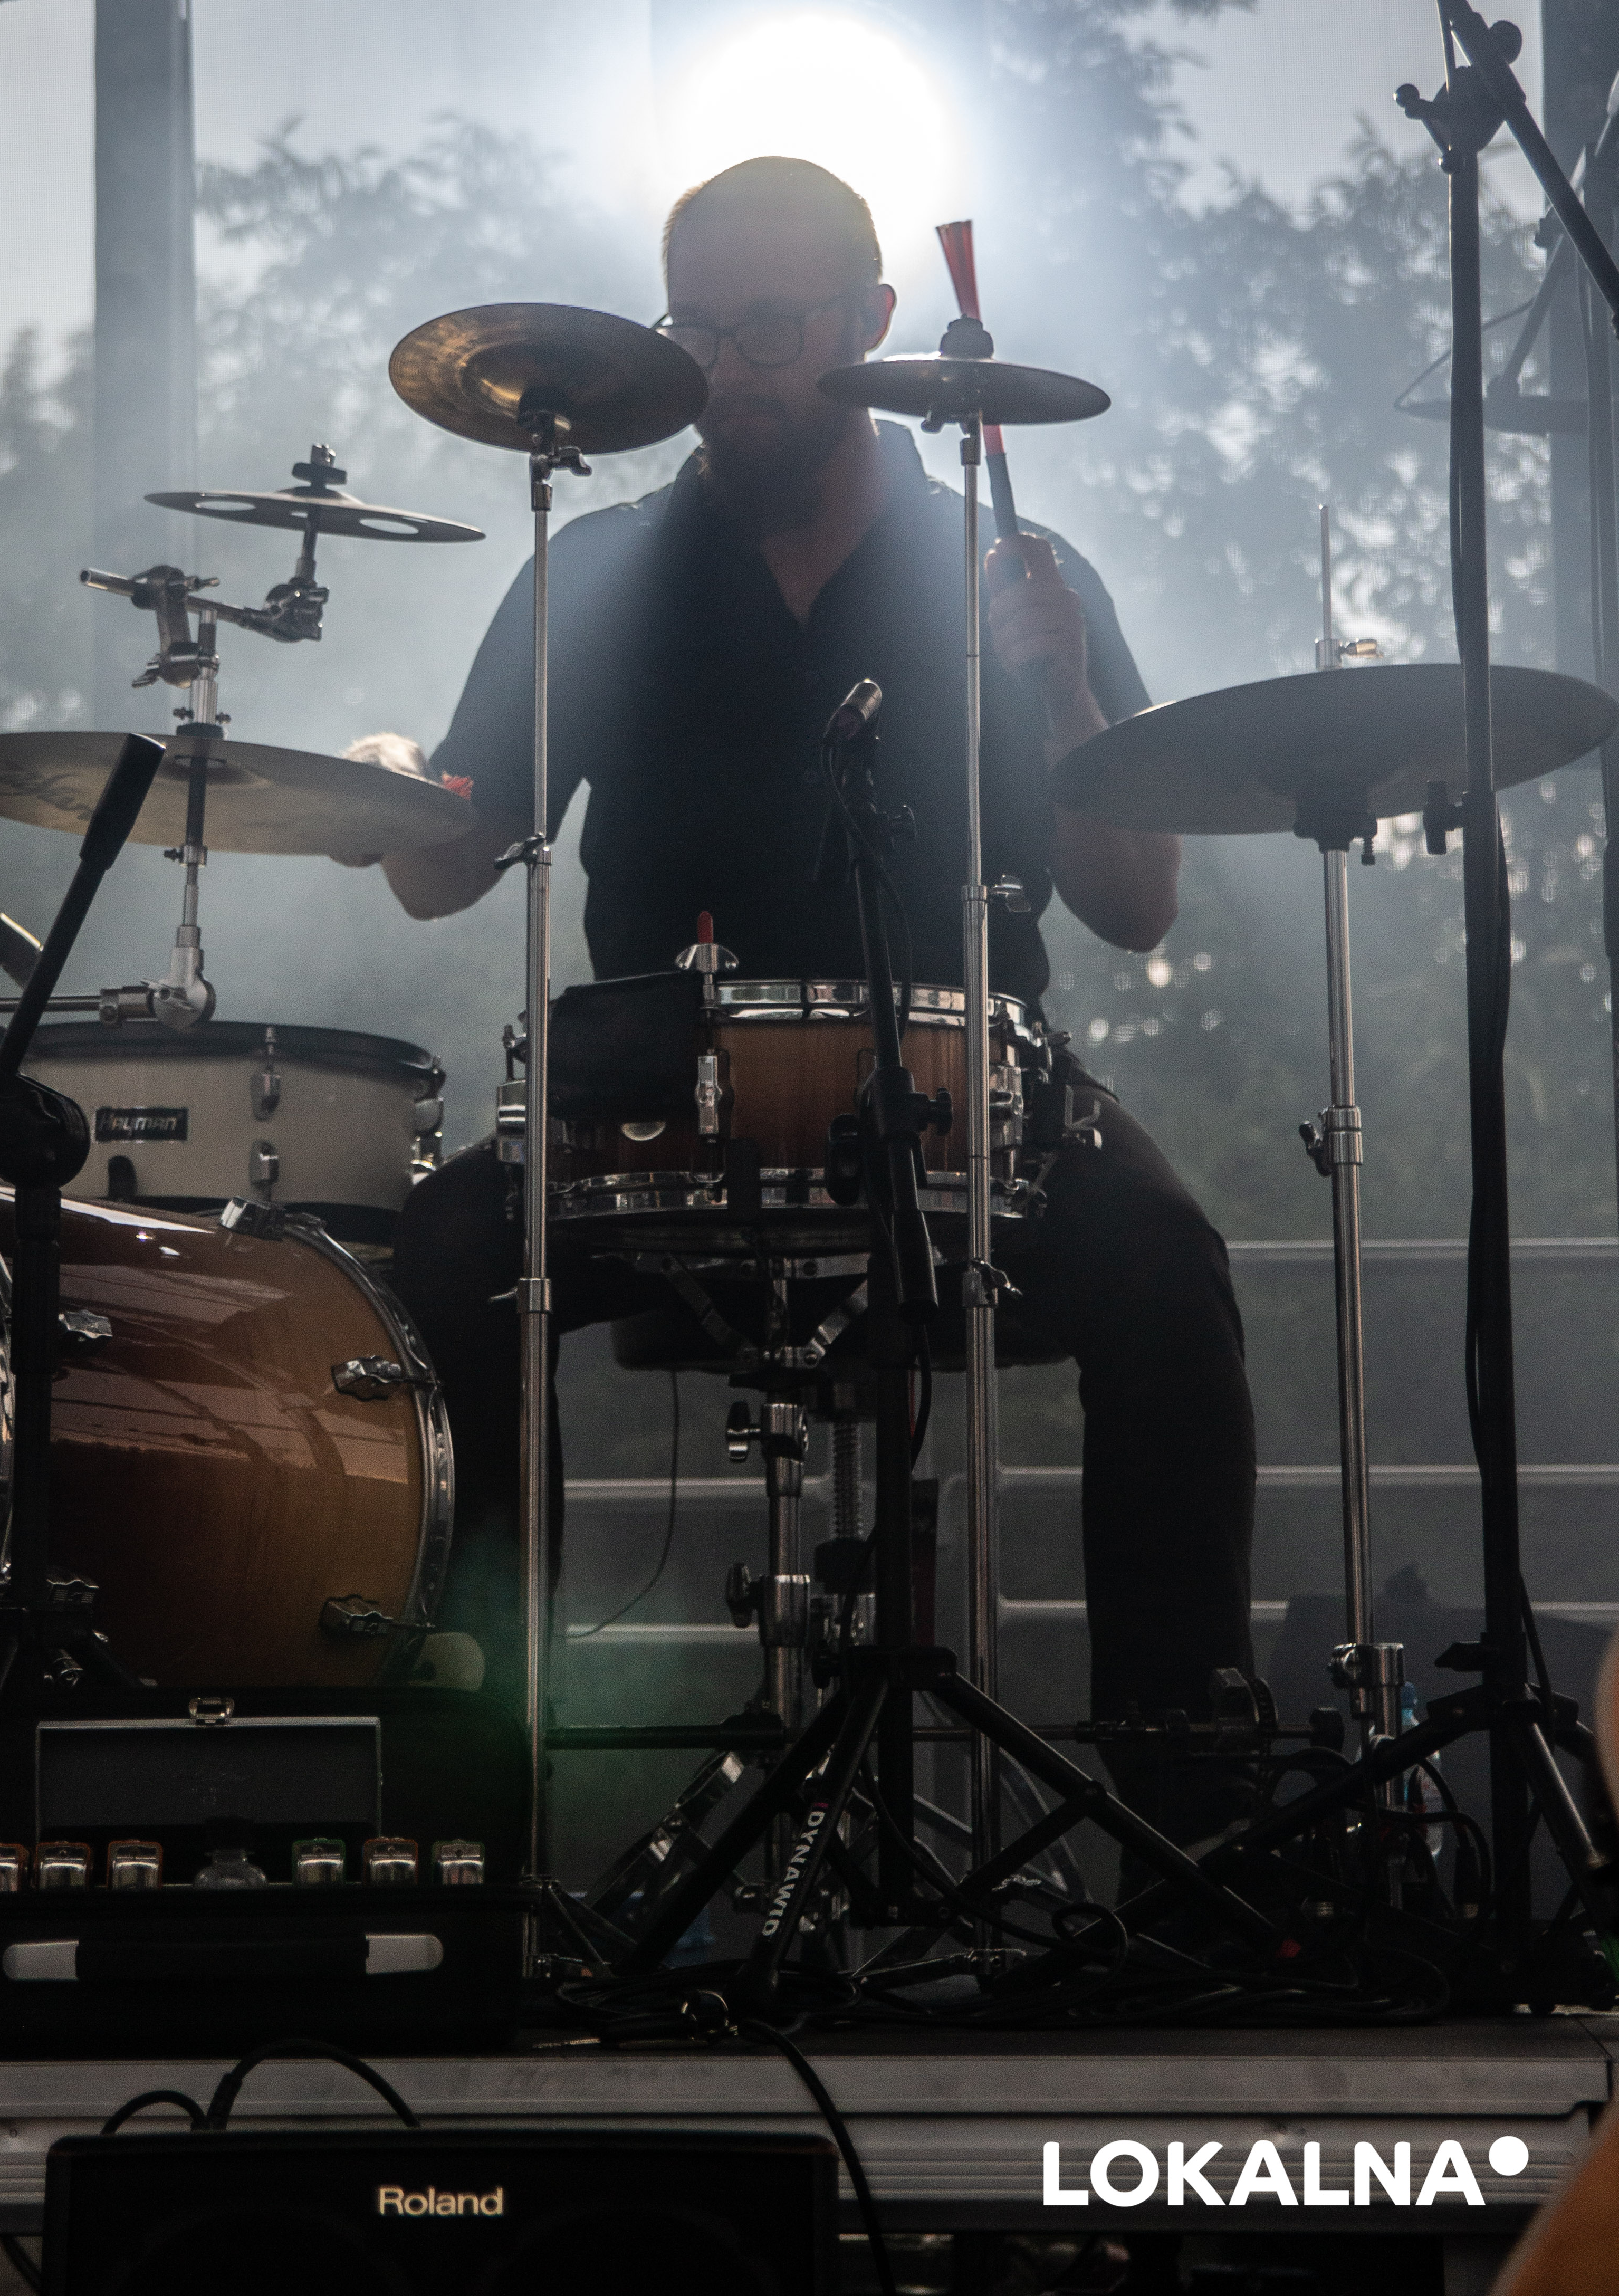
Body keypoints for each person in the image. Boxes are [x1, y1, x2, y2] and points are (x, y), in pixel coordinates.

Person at [349, 154, 1257, 1840]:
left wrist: (1063, 690)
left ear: (873, 322)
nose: (731, 369)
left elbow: (1137, 907)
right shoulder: (599, 573)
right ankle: (469, 1825)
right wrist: (388, 776)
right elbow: (439, 872)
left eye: (771, 328)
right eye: (697, 328)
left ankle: (1191, 1823)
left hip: (972, 1104)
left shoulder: (1013, 569)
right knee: (454, 1249)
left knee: (1169, 1269)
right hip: (655, 1110)